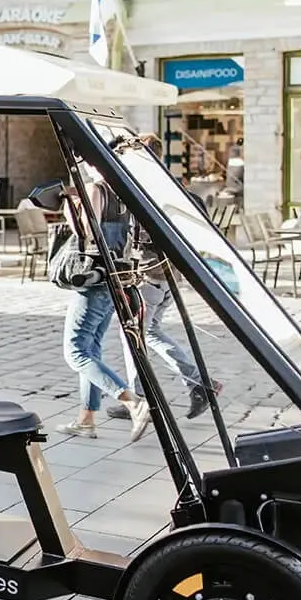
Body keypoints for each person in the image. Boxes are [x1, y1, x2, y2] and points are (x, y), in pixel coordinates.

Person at [108, 134, 221, 426]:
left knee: (131, 334)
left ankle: (139, 399)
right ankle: (199, 384)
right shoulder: (179, 191)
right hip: (169, 277)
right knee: (151, 332)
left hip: (149, 275)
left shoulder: (146, 192)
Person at [57, 166, 152, 444]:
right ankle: (86, 419)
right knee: (91, 348)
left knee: (74, 352)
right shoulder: (124, 189)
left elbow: (84, 231)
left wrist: (70, 206)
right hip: (116, 277)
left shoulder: (96, 189)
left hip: (94, 277)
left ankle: (132, 402)